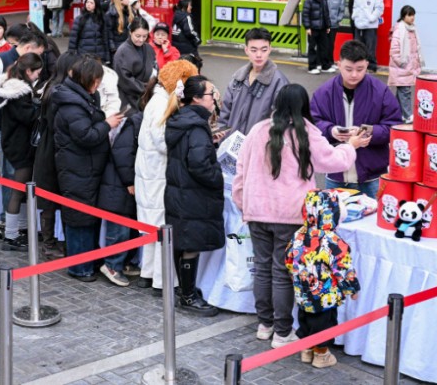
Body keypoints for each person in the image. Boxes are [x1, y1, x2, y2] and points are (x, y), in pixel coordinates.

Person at [233, 84, 364, 346]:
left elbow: (241, 171)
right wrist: (351, 145)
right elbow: (335, 161)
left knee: (262, 268)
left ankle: (265, 324)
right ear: (303, 105)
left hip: (257, 212)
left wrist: (242, 203)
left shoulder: (258, 130)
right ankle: (282, 333)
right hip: (291, 214)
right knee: (281, 273)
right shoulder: (306, 132)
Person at [52, 57, 122, 281]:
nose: (99, 85)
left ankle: (86, 262)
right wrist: (106, 124)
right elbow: (86, 135)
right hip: (77, 167)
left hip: (86, 166)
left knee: (86, 216)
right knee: (79, 217)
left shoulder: (83, 96)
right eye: (97, 80)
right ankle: (79, 267)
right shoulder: (72, 104)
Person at [0, 31, 47, 237]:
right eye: (38, 54)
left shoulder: (22, 68)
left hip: (9, 127)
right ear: (28, 48)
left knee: (10, 174)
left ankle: (8, 218)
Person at [135, 60, 198, 293]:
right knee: (163, 228)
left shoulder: (156, 98)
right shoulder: (162, 103)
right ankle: (163, 281)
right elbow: (163, 141)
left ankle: (147, 273)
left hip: (148, 172)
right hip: (158, 174)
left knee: (151, 226)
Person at [163, 75, 224, 316]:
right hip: (193, 194)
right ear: (197, 98)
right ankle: (188, 296)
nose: (214, 98)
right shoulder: (196, 126)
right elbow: (199, 165)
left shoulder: (180, 119)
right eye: (211, 94)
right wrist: (217, 175)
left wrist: (210, 144)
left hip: (179, 192)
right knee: (191, 243)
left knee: (183, 240)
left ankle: (185, 289)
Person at [310, 40, 402, 198]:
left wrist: (367, 132)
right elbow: (312, 125)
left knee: (373, 222)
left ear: (367, 64)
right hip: (336, 174)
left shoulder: (380, 92)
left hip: (372, 176)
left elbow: (395, 127)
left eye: (360, 69)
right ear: (339, 65)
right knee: (335, 222)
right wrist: (331, 131)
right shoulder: (324, 93)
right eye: (348, 69)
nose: (354, 74)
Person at [286, 190, 361, 368]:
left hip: (303, 291)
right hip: (325, 296)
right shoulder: (332, 240)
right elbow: (343, 268)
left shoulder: (299, 234)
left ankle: (307, 349)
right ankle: (321, 354)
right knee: (325, 323)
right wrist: (352, 288)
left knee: (304, 318)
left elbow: (289, 257)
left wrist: (294, 275)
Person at [0, 53, 44, 251]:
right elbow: (28, 116)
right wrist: (39, 106)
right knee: (18, 190)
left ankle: (20, 228)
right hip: (20, 145)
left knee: (21, 189)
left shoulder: (10, 86)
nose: (37, 76)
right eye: (36, 72)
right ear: (28, 71)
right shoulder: (19, 92)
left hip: (14, 143)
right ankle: (11, 236)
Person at [34, 51, 80, 259]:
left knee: (52, 199)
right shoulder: (58, 92)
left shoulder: (52, 87)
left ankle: (52, 241)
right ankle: (49, 243)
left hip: (49, 147)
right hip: (52, 149)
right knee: (51, 199)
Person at [97, 105, 143, 287]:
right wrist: (129, 181)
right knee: (120, 229)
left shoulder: (137, 120)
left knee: (128, 227)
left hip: (122, 182)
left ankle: (122, 263)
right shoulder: (135, 122)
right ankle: (112, 265)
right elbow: (122, 152)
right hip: (118, 184)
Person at [218, 27, 289, 137]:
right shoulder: (237, 79)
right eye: (254, 50)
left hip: (260, 148)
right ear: (246, 50)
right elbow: (224, 116)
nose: (259, 55)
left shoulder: (279, 82)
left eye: (264, 50)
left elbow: (281, 122)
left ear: (270, 49)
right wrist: (222, 141)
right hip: (232, 146)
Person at [388, 5, 423, 124]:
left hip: (409, 66)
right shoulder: (400, 30)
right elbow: (394, 50)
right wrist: (402, 64)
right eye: (409, 15)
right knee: (405, 91)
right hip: (402, 67)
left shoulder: (412, 28)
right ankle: (408, 116)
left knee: (402, 92)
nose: (412, 17)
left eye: (413, 15)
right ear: (404, 16)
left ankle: (395, 114)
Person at [113, 18, 156, 111]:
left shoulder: (148, 48)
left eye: (145, 36)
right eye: (138, 36)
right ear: (130, 32)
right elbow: (124, 79)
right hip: (128, 98)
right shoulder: (122, 51)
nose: (141, 40)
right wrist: (147, 88)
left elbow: (155, 66)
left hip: (146, 95)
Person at [351, 0, 384, 72]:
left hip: (370, 25)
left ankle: (371, 66)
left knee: (370, 46)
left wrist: (372, 18)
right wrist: (355, 16)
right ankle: (359, 66)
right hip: (359, 24)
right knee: (358, 46)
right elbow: (355, 7)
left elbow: (379, 9)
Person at [69, 0, 112, 64]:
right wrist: (71, 56)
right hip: (83, 55)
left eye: (91, 3)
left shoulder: (101, 19)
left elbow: (105, 39)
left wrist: (107, 57)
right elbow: (73, 39)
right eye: (87, 2)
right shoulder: (79, 19)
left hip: (98, 55)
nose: (88, 4)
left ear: (96, 5)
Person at [303, 0, 332, 74]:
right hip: (313, 29)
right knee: (312, 48)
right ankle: (312, 67)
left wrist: (328, 26)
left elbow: (326, 14)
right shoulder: (308, 1)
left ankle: (325, 66)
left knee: (324, 47)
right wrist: (307, 27)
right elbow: (305, 15)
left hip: (323, 28)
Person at [171, 0, 201, 66]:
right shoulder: (186, 17)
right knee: (193, 66)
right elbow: (190, 31)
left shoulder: (176, 15)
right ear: (185, 6)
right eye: (190, 5)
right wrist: (197, 39)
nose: (191, 7)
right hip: (187, 47)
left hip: (176, 46)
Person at [324, 0, 344, 71]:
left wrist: (337, 19)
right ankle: (326, 63)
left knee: (331, 44)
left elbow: (342, 10)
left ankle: (331, 62)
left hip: (334, 25)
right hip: (324, 25)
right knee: (325, 44)